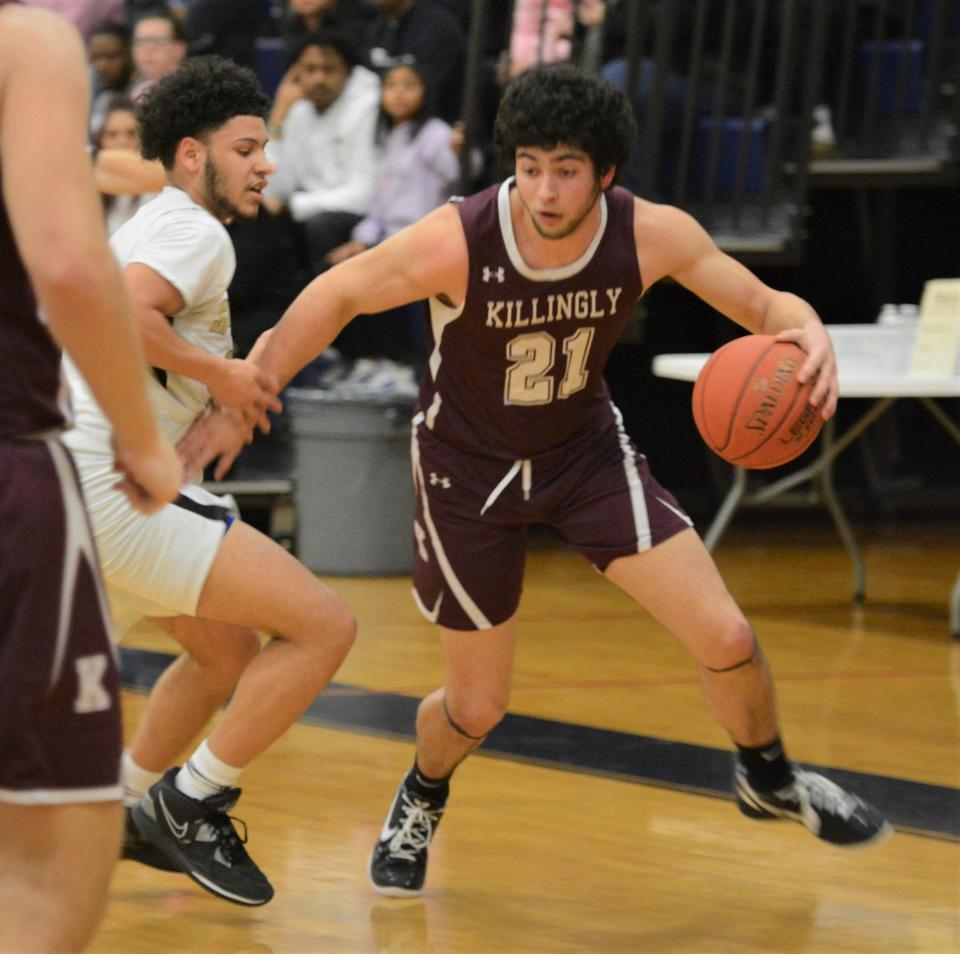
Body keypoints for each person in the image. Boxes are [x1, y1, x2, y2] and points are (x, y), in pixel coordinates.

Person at [180, 63, 892, 900]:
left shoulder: (649, 232)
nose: (544, 191)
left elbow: (768, 306)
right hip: (465, 471)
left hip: (583, 453)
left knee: (727, 637)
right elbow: (335, 295)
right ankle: (423, 791)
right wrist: (249, 391)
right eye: (528, 167)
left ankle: (766, 775)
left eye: (565, 171)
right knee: (478, 707)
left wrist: (809, 332)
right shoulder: (460, 238)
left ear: (606, 173)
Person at [62, 55, 357, 908]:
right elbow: (124, 309)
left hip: (83, 488)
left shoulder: (155, 222)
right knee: (325, 629)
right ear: (193, 156)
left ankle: (119, 807)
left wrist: (201, 396)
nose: (267, 162)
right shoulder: (196, 231)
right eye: (248, 147)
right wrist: (222, 379)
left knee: (224, 650)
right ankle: (191, 804)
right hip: (118, 490)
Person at [0, 5, 181, 952]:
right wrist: (143, 436)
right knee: (54, 851)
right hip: (8, 459)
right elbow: (71, 265)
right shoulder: (25, 43)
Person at [324, 59, 462, 390]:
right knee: (338, 263)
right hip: (390, 237)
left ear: (425, 92)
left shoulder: (435, 134)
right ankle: (365, 358)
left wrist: (459, 150)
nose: (399, 94)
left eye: (409, 85)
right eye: (392, 86)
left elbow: (457, 171)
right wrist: (361, 239)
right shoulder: (391, 137)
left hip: (423, 237)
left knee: (375, 273)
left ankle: (401, 364)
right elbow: (381, 206)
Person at [263, 30, 381, 276]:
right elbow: (275, 190)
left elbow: (365, 195)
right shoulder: (297, 108)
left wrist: (294, 206)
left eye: (329, 70)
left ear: (347, 73)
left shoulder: (369, 107)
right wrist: (278, 116)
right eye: (310, 69)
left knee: (321, 224)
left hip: (363, 217)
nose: (318, 78)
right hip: (312, 204)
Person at [92, 96, 159, 234]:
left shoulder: (160, 185)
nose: (122, 141)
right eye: (112, 134)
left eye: (131, 133)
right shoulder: (87, 185)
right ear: (100, 140)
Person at [129, 7, 187, 101]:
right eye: (140, 41)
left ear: (179, 48)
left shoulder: (190, 92)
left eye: (158, 40)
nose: (148, 48)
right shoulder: (138, 92)